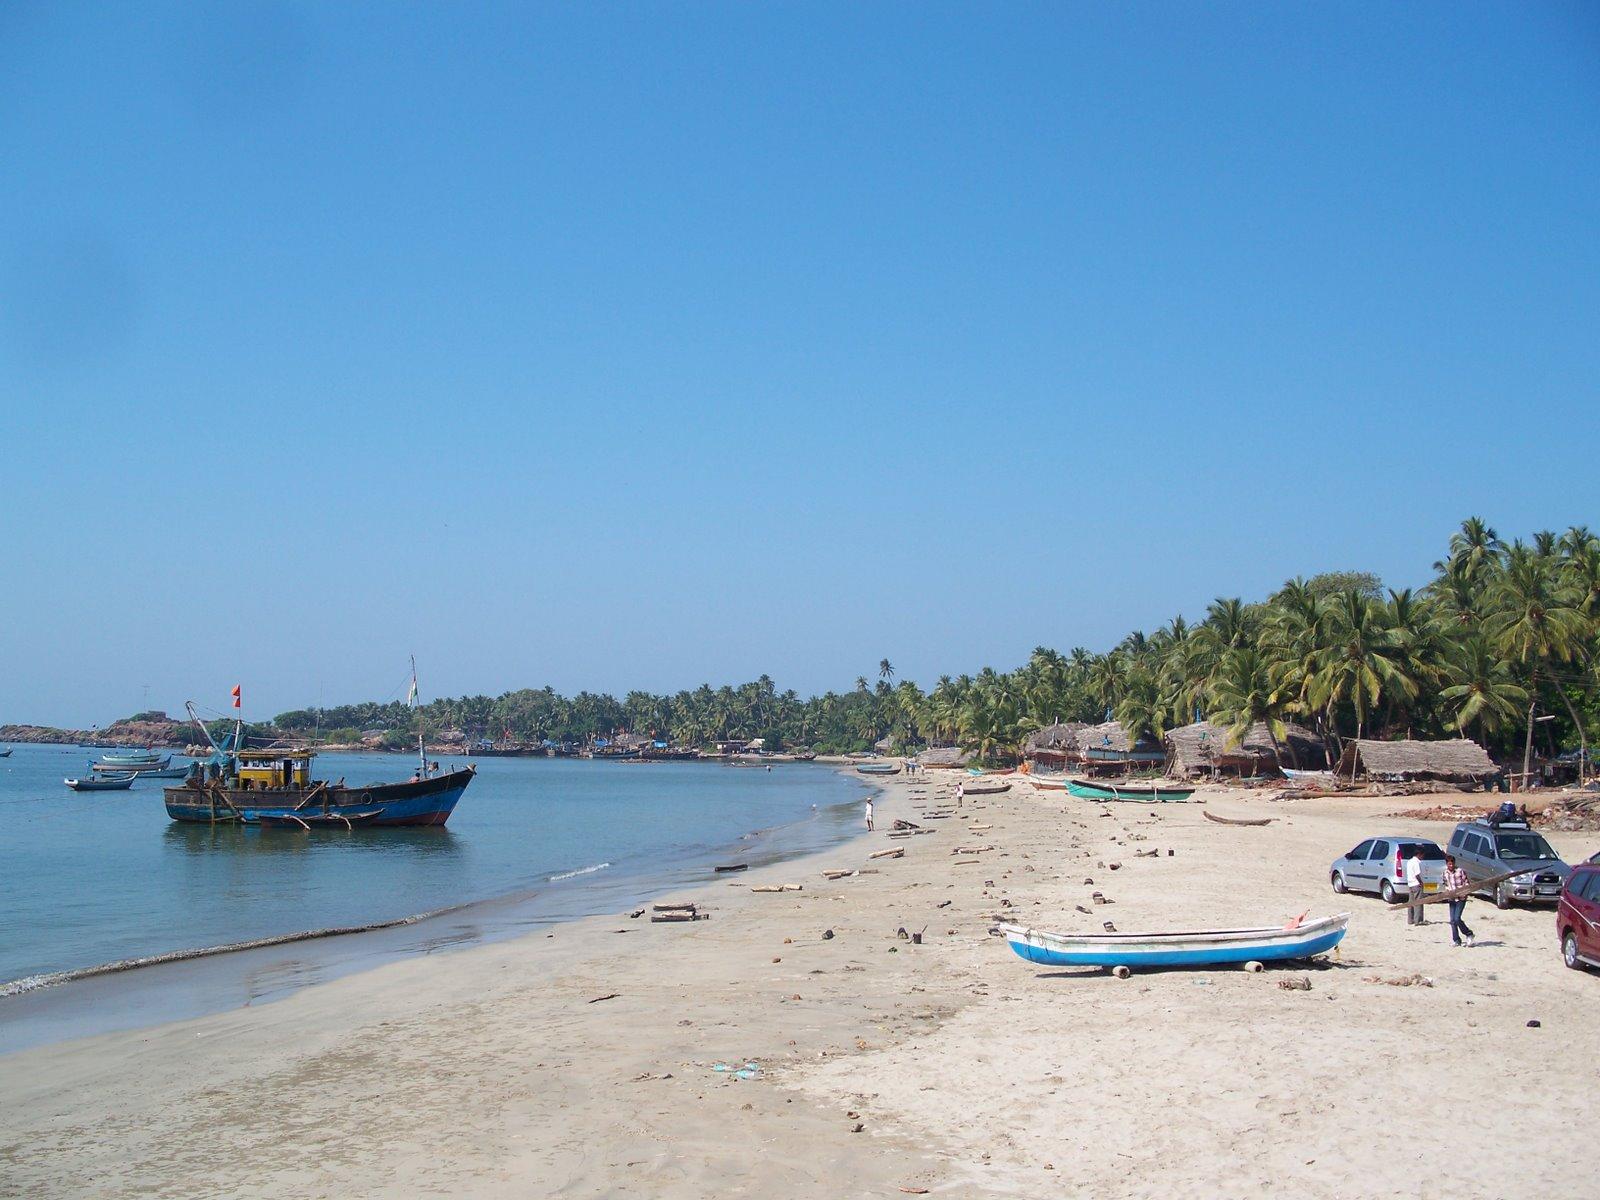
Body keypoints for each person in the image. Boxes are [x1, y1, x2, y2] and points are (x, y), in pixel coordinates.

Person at [1440, 854, 1475, 947]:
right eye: (1449, 864)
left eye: (1452, 864)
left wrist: (1465, 893)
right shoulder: (1445, 873)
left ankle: (1469, 934)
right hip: (1452, 899)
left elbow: (1467, 883)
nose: (1451, 866)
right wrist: (1447, 892)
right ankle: (1456, 940)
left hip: (1461, 898)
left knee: (1457, 918)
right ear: (1447, 864)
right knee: (1452, 921)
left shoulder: (1460, 871)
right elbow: (1445, 884)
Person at [1405, 847, 1427, 926]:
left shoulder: (1409, 862)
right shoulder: (1417, 862)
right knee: (1418, 903)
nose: (1423, 857)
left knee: (1411, 902)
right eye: (1422, 855)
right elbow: (1417, 874)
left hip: (1410, 884)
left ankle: (1410, 920)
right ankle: (1418, 920)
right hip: (1416, 884)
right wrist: (1421, 882)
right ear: (1419, 854)